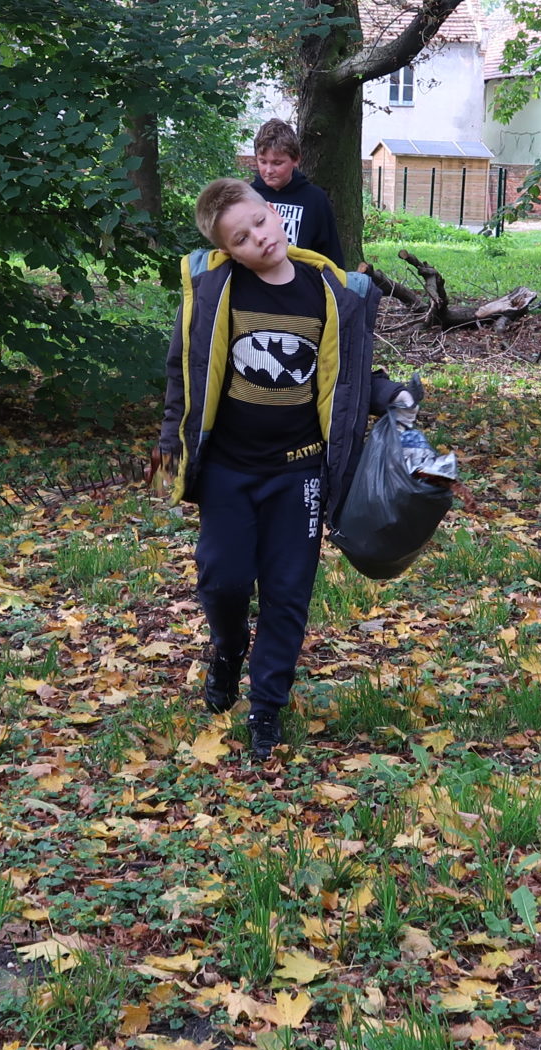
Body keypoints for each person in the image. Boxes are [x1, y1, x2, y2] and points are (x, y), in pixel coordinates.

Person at [150, 178, 412, 760]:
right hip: (229, 470)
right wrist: (170, 454)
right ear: (228, 250)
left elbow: (352, 375)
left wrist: (391, 394)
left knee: (288, 592)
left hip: (300, 472)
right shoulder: (214, 292)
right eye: (240, 238)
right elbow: (182, 374)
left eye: (260, 223)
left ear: (275, 214)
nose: (259, 239)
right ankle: (227, 648)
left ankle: (267, 705)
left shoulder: (332, 293)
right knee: (222, 579)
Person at [248, 119, 345, 267]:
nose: (269, 170)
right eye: (263, 161)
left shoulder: (315, 199)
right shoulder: (247, 198)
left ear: (296, 160)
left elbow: (331, 256)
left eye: (277, 163)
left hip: (304, 279)